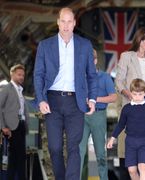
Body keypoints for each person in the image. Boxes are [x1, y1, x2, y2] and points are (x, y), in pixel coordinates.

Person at [33, 7, 97, 180]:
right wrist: (41, 99)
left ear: (75, 23)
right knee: (54, 147)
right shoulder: (45, 45)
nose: (66, 25)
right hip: (52, 100)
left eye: (70, 21)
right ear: (58, 22)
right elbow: (38, 75)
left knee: (74, 147)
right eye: (63, 21)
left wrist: (92, 99)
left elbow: (92, 75)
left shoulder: (85, 45)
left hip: (75, 101)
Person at [115, 27, 145, 180]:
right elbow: (118, 81)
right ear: (141, 41)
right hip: (132, 102)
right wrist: (128, 94)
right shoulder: (126, 56)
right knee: (130, 144)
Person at [79, 49, 117, 180]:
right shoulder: (79, 78)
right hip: (81, 116)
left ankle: (103, 178)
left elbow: (113, 97)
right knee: (79, 152)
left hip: (98, 116)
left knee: (100, 154)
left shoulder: (105, 77)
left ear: (95, 61)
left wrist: (95, 99)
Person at [0, 64, 28, 180]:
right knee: (20, 157)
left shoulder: (20, 90)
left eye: (23, 75)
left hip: (21, 126)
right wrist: (3, 127)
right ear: (12, 74)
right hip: (12, 127)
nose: (21, 77)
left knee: (14, 158)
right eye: (19, 74)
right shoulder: (7, 89)